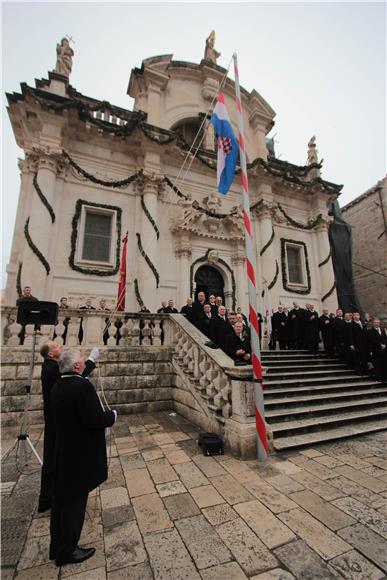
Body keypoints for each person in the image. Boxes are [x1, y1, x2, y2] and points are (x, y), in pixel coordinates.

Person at [50, 349, 116, 566]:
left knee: (62, 502)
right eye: (81, 361)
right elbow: (94, 419)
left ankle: (57, 546)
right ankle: (68, 551)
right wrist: (111, 416)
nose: (83, 364)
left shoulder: (59, 385)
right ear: (77, 367)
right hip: (79, 456)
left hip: (64, 453)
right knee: (74, 506)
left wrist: (91, 359)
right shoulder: (82, 388)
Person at [38, 342, 99, 513]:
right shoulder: (52, 369)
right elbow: (75, 375)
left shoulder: (51, 366)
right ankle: (50, 497)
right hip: (58, 421)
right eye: (56, 346)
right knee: (54, 459)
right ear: (50, 354)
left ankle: (49, 497)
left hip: (57, 419)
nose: (60, 346)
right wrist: (91, 359)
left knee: (54, 457)